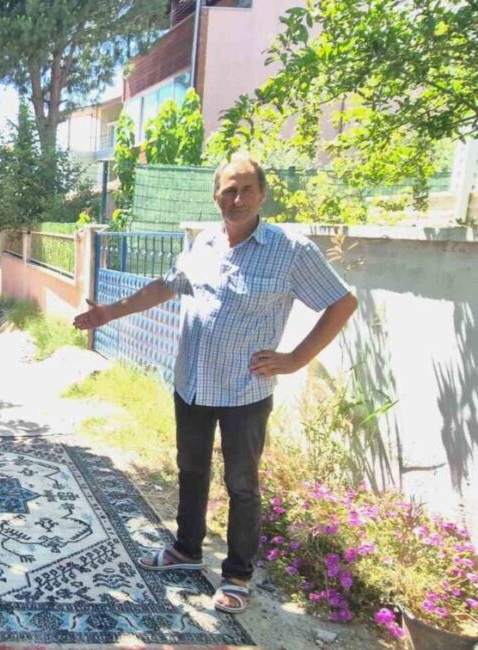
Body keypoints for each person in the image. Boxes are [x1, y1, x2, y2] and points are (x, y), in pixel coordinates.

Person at [74, 153, 357, 614]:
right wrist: (109, 312)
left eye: (246, 189)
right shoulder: (204, 242)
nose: (237, 198)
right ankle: (186, 548)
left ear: (262, 194)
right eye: (229, 190)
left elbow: (342, 303)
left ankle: (237, 575)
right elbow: (166, 286)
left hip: (244, 391)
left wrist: (296, 359)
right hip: (192, 384)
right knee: (191, 469)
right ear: (215, 196)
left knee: (242, 484)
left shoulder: (290, 249)